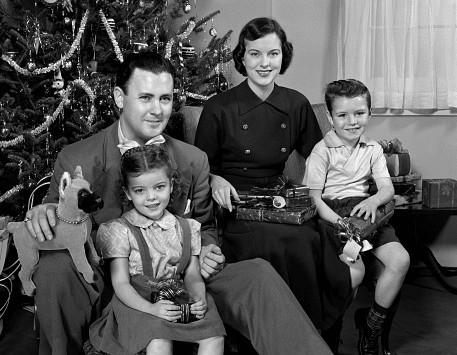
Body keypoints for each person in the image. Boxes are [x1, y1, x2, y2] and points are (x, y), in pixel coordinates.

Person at [24, 51, 333, 355]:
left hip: (181, 276)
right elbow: (59, 215)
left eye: (165, 98)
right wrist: (45, 211)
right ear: (120, 98)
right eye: (145, 97)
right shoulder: (76, 158)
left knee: (258, 274)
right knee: (54, 268)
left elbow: (205, 225)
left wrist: (209, 248)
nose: (158, 110)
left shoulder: (192, 160)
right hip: (114, 281)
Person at [194, 17, 352, 333]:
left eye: (273, 54)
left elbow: (320, 158)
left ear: (284, 55)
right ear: (242, 57)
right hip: (236, 203)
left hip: (281, 198)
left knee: (306, 238)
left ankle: (308, 333)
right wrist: (214, 178)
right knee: (279, 242)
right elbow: (200, 168)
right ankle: (271, 333)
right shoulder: (219, 107)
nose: (265, 63)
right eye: (255, 54)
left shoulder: (295, 103)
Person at [304, 79, 410, 355]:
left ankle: (371, 324)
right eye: (342, 115)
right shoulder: (321, 151)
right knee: (353, 273)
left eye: (359, 113)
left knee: (400, 259)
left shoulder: (373, 149)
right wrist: (340, 224)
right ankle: (331, 331)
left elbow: (386, 188)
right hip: (334, 217)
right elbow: (314, 199)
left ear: (369, 113)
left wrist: (374, 200)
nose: (352, 122)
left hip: (368, 213)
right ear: (330, 117)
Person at [88, 145, 225, 355]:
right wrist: (152, 309)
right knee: (159, 338)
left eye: (159, 187)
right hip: (137, 302)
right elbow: (121, 284)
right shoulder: (119, 230)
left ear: (171, 185)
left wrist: (198, 297)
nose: (151, 197)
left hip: (176, 294)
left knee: (213, 334)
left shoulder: (186, 228)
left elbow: (192, 274)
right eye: (140, 190)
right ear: (128, 193)